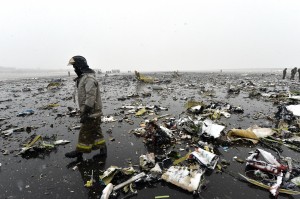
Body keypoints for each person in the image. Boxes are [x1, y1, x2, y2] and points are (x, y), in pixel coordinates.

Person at [65, 55, 106, 158]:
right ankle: (103, 150)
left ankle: (79, 152)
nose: (74, 69)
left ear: (80, 66)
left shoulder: (88, 79)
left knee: (84, 132)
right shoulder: (84, 78)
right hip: (94, 112)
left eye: (75, 67)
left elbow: (90, 98)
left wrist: (85, 113)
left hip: (91, 113)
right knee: (96, 132)